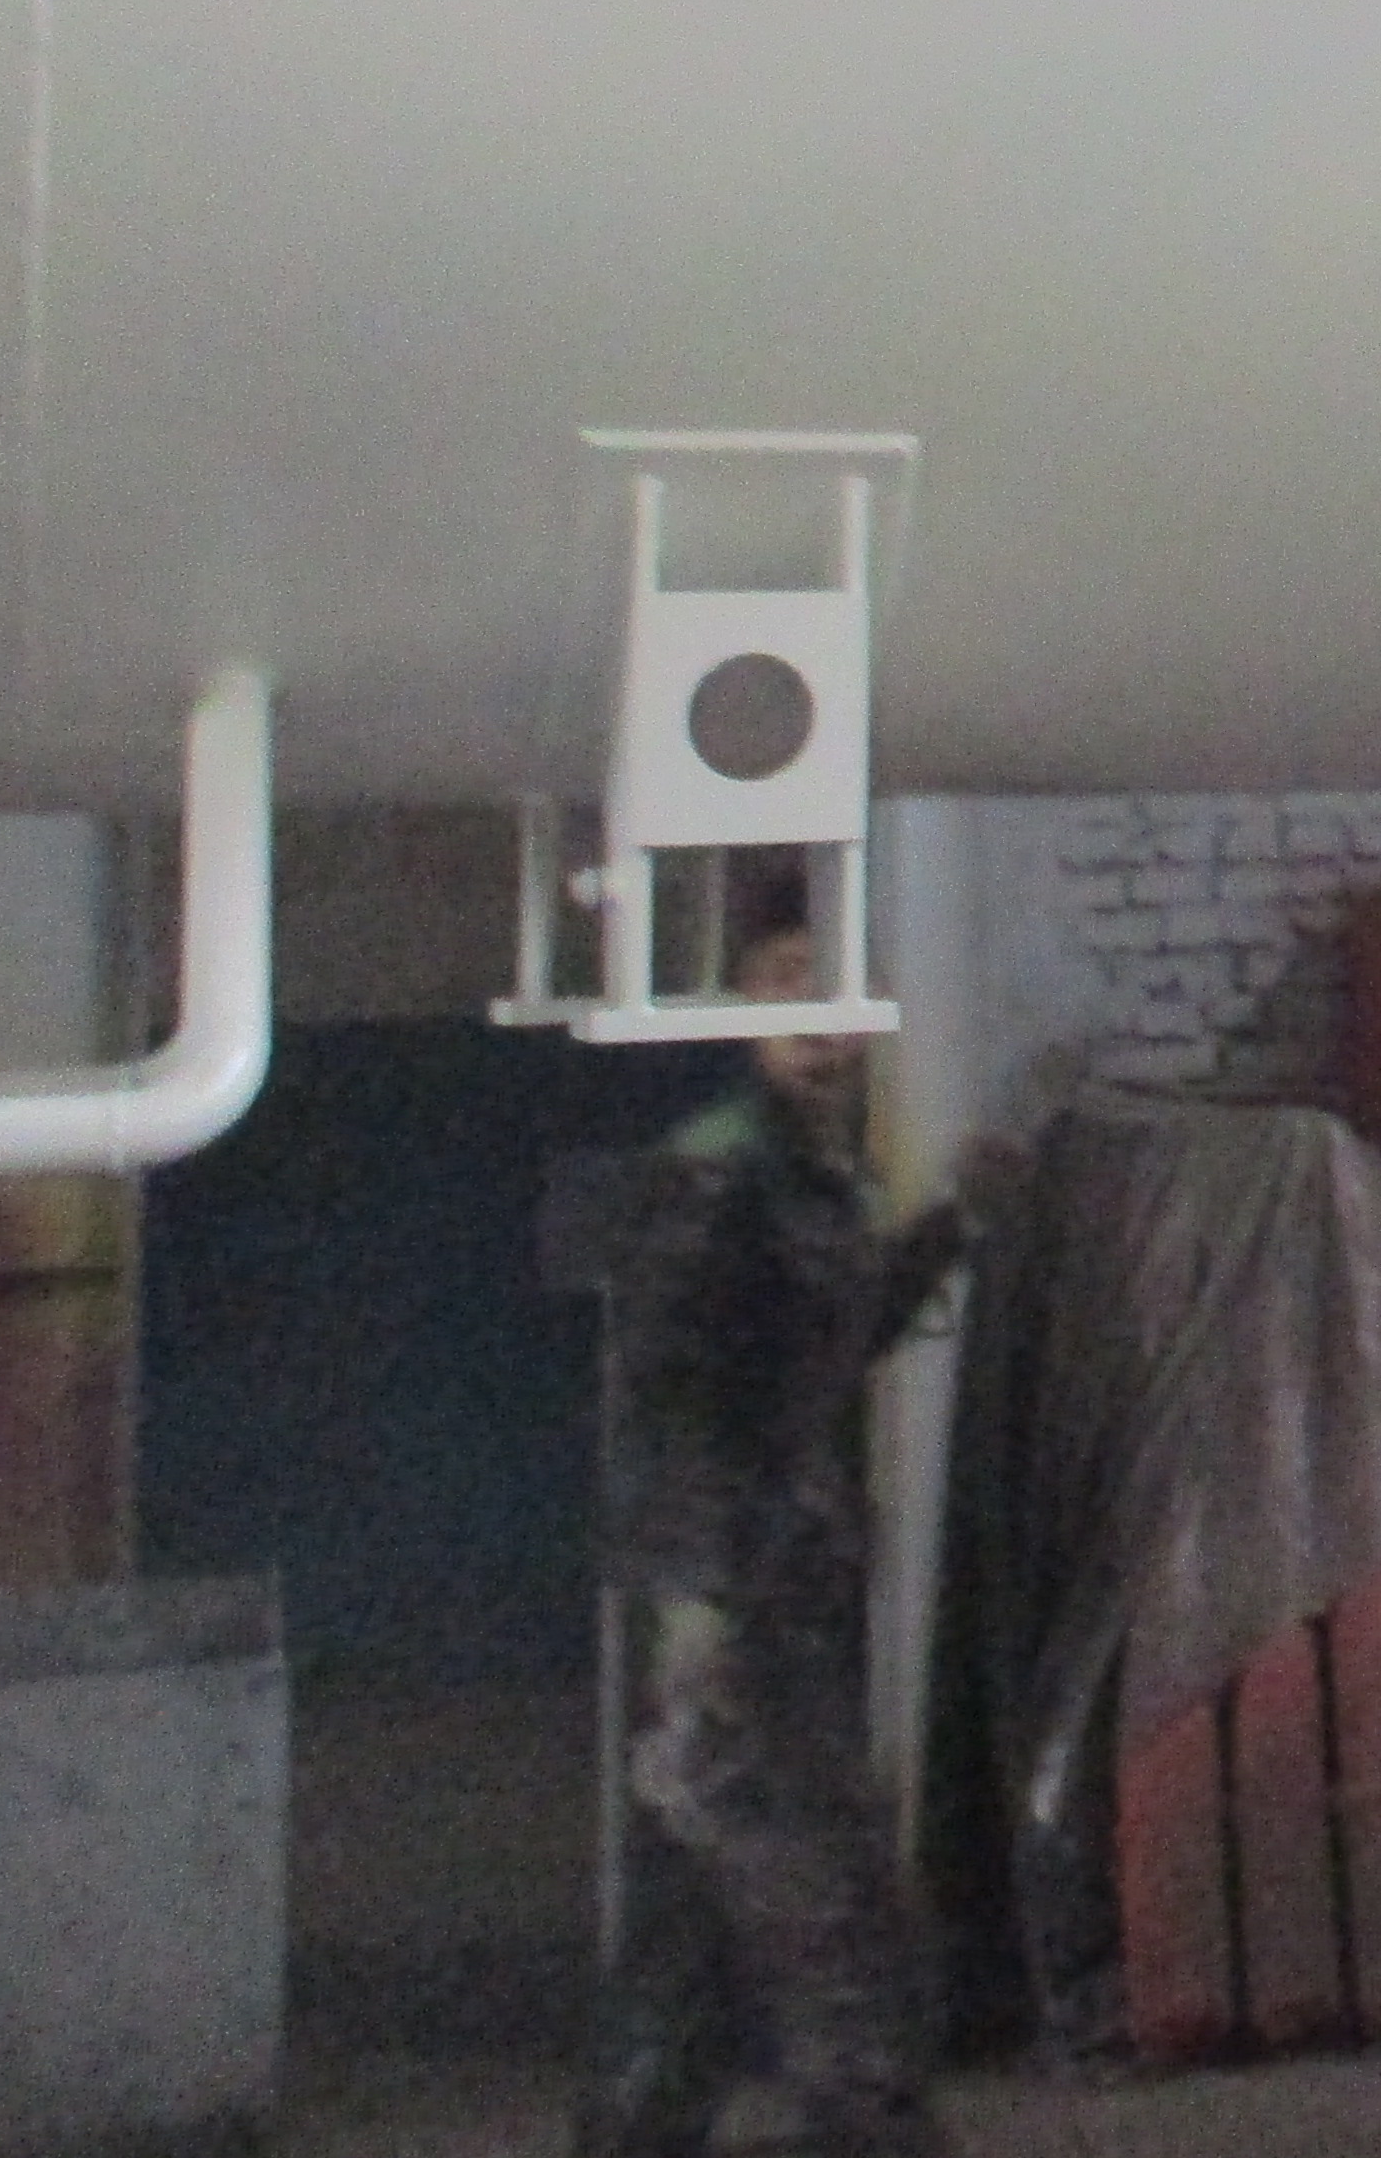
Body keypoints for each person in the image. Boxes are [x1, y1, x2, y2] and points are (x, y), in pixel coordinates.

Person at [582, 919, 987, 2158]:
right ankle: (877, 2136)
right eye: (782, 990)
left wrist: (938, 1237)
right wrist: (695, 1610)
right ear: (739, 1012)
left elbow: (823, 1356)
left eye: (832, 992)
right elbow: (672, 1400)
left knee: (699, 1917)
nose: (814, 1024)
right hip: (736, 1595)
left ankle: (638, 2129)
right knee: (828, 1903)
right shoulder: (716, 1169)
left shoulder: (820, 1174)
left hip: (782, 1577)